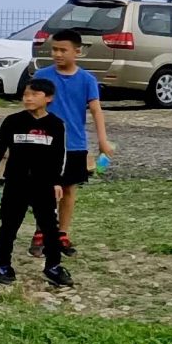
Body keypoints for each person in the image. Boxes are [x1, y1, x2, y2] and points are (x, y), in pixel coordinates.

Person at [0, 74, 73, 288]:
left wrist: (57, 182)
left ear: (49, 98)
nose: (28, 98)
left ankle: (53, 266)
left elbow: (59, 155)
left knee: (49, 228)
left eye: (34, 94)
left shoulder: (56, 125)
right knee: (9, 225)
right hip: (16, 182)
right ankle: (2, 264)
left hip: (44, 184)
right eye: (25, 94)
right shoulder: (13, 121)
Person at [38, 29, 112, 258]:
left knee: (69, 189)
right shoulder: (42, 76)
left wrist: (102, 140)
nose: (57, 54)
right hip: (44, 143)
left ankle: (62, 233)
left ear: (77, 52)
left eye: (63, 50)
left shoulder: (87, 79)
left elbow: (96, 111)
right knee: (44, 190)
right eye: (54, 49)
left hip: (75, 144)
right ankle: (41, 232)